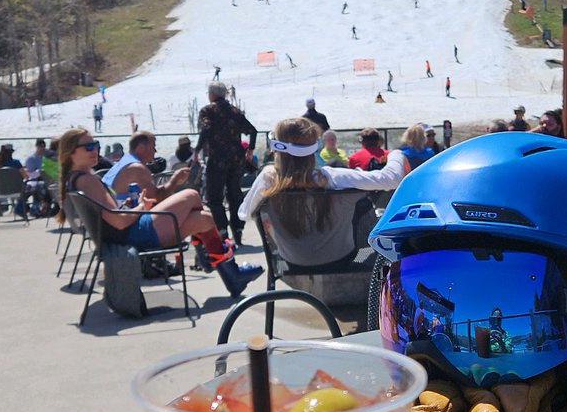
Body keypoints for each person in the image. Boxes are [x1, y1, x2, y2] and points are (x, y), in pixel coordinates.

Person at [56, 127, 261, 297]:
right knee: (191, 195)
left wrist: (132, 206)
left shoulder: (76, 179)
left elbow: (111, 215)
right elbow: (119, 221)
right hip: (131, 235)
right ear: (71, 152)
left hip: (122, 235)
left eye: (96, 146)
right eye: (89, 147)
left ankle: (229, 274)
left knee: (204, 218)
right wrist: (141, 207)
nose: (95, 151)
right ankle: (216, 260)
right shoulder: (88, 180)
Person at [239, 116, 410, 235]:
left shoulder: (268, 178)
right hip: (342, 257)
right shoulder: (331, 177)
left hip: (289, 260)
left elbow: (244, 214)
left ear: (275, 147)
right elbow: (390, 179)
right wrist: (396, 153)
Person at [195, 81, 258, 246]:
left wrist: (197, 149)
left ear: (212, 94)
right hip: (237, 159)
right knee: (234, 194)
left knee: (214, 197)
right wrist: (249, 149)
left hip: (218, 159)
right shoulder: (235, 111)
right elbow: (252, 131)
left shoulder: (208, 111)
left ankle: (222, 232)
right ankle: (238, 230)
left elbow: (206, 129)